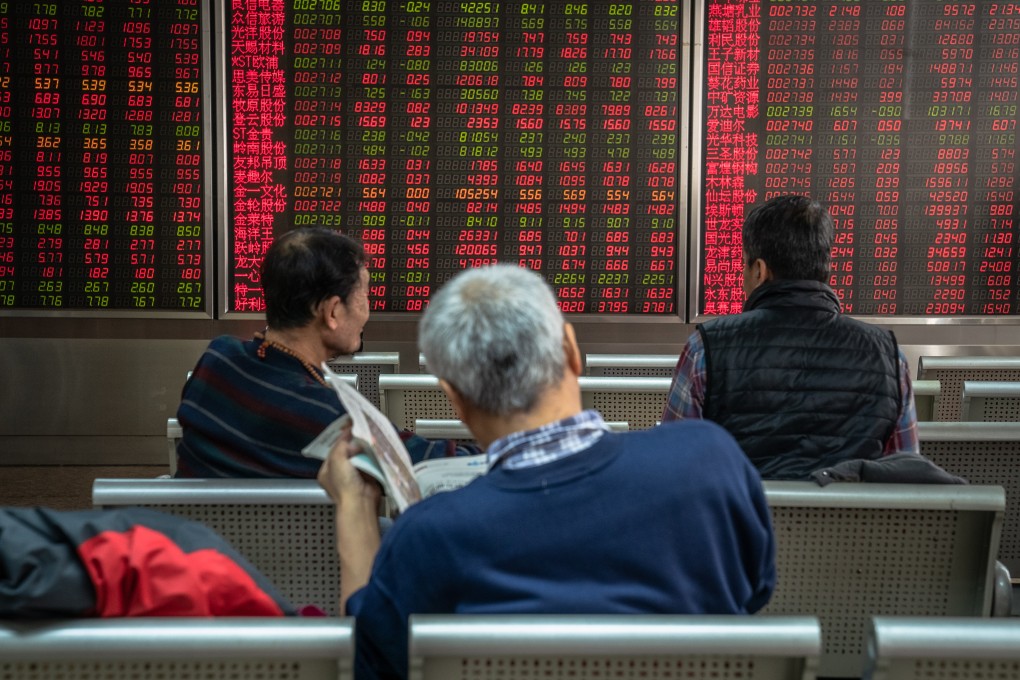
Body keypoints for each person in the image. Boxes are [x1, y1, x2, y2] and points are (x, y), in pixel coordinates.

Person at [318, 264, 776, 680]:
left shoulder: (428, 536)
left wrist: (355, 511)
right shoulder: (709, 461)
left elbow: (368, 665)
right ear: (571, 350)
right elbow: (755, 590)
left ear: (453, 397)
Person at [662, 194, 920, 480]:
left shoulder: (704, 349)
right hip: (849, 510)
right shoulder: (889, 357)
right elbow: (906, 472)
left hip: (741, 510)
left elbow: (675, 465)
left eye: (744, 265)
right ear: (826, 266)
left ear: (759, 271)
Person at [175, 227, 466, 478]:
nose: (367, 310)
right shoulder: (328, 417)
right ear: (332, 312)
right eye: (364, 295)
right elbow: (425, 461)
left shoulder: (217, 361)